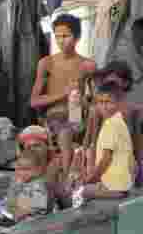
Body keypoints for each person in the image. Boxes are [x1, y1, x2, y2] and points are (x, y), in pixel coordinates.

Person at [30, 13, 95, 174]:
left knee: (76, 126)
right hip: (54, 117)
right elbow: (34, 101)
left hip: (77, 115)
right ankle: (67, 180)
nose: (61, 41)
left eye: (66, 36)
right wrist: (62, 95)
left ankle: (73, 176)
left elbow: (97, 99)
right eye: (57, 36)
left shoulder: (87, 65)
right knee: (64, 132)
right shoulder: (46, 63)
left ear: (77, 37)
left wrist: (84, 101)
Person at [78, 83, 135, 204]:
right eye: (100, 102)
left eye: (108, 102)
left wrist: (91, 179)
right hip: (121, 185)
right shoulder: (118, 121)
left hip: (116, 187)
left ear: (118, 104)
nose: (104, 106)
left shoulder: (111, 124)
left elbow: (106, 159)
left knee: (82, 192)